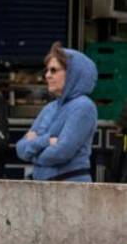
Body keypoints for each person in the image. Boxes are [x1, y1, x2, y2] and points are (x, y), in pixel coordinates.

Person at [16, 43, 98, 182]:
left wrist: (34, 149)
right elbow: (21, 149)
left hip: (70, 189)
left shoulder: (84, 107)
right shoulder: (50, 108)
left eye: (53, 70)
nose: (47, 76)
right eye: (47, 71)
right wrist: (47, 140)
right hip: (43, 188)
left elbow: (61, 152)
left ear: (72, 73)